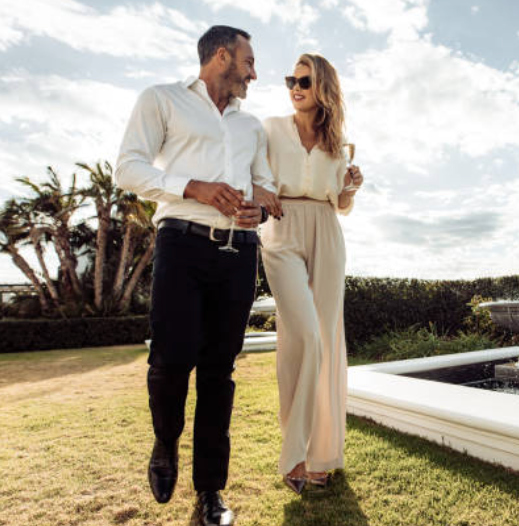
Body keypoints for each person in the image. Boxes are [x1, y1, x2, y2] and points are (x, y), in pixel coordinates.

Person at [115, 25, 277, 526]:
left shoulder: (251, 127)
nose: (254, 73)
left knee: (218, 373)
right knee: (170, 359)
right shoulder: (162, 99)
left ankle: (210, 492)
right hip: (181, 244)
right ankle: (165, 443)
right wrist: (194, 187)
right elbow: (128, 169)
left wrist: (259, 211)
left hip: (238, 253)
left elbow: (265, 187)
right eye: (249, 62)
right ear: (221, 56)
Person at [254, 53, 364, 494]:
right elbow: (252, 175)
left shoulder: (338, 143)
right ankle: (294, 453)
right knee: (303, 337)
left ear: (323, 88)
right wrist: (259, 191)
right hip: (281, 230)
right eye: (291, 80)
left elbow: (340, 203)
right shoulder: (269, 129)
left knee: (327, 341)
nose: (295, 88)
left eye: (304, 81)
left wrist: (350, 188)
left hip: (326, 230)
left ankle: (320, 456)